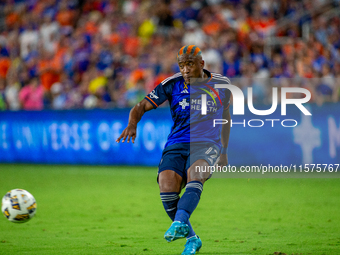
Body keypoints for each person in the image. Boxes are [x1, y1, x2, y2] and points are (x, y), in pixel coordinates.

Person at [116, 45, 231, 255]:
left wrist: (223, 151)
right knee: (167, 186)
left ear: (201, 64)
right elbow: (141, 106)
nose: (185, 70)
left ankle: (179, 222)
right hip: (176, 143)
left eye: (189, 64)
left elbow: (226, 119)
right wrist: (133, 123)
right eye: (181, 65)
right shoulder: (172, 84)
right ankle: (192, 239)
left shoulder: (220, 85)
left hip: (206, 143)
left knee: (196, 175)